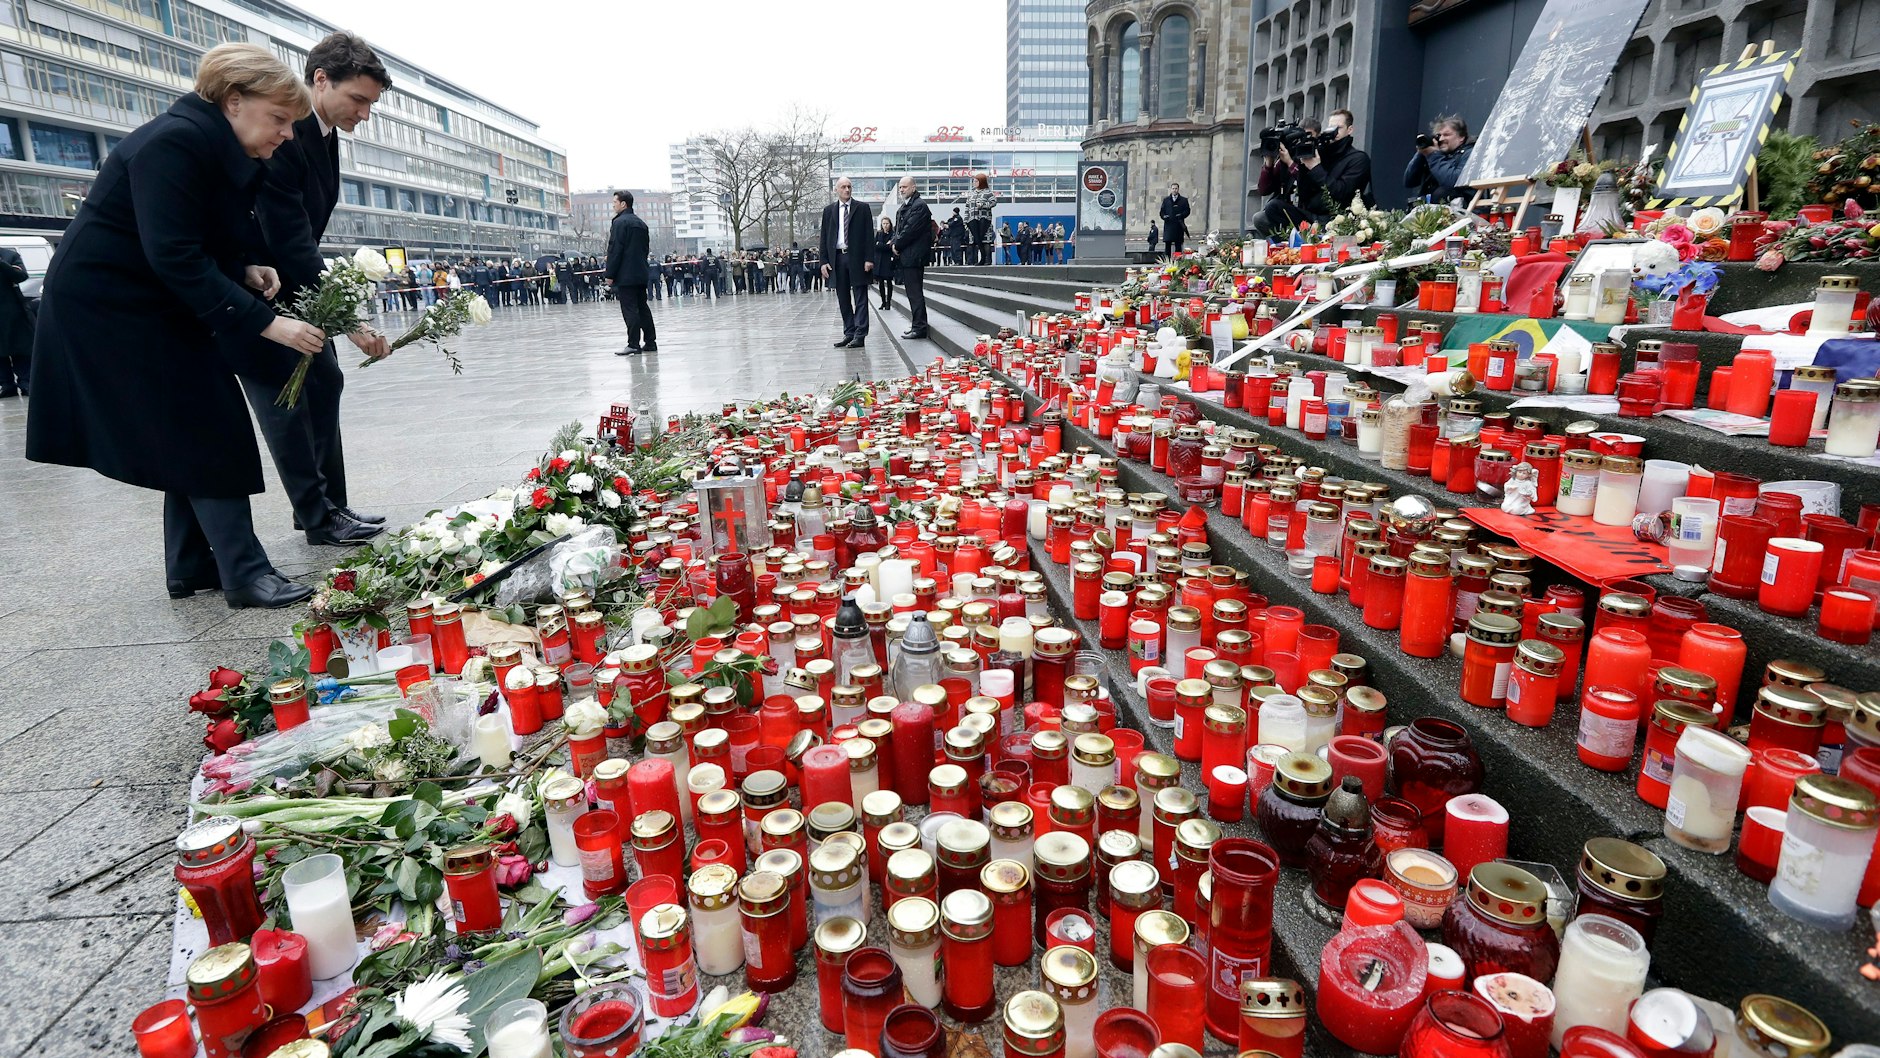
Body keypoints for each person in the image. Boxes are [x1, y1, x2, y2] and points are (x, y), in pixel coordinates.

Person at [27, 44, 326, 607]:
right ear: (233, 102)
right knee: (207, 420)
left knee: (185, 425)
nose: (287, 135)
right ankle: (244, 572)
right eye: (279, 119)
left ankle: (191, 563)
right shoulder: (176, 142)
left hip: (144, 300)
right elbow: (174, 253)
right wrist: (269, 324)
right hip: (113, 306)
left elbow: (190, 236)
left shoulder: (204, 142)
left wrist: (243, 267)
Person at [235, 31, 390, 548]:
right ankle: (318, 514)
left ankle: (329, 507)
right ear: (321, 79)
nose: (364, 114)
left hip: (298, 285)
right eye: (358, 99)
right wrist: (346, 318)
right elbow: (289, 236)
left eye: (371, 104)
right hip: (265, 288)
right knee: (288, 398)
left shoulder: (324, 133)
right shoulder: (288, 131)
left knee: (325, 382)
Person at [1256, 108, 1374, 235]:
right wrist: (1296, 161)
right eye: (1331, 127)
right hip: (1310, 215)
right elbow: (1303, 192)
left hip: (1337, 219)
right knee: (1272, 208)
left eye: (1338, 128)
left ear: (1349, 130)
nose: (1333, 132)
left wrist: (1315, 168)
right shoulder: (1320, 152)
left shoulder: (1358, 159)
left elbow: (1342, 193)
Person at [821, 177, 875, 348]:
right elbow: (824, 237)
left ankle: (860, 334)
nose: (847, 190)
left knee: (860, 296)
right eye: (843, 187)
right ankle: (849, 332)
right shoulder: (829, 211)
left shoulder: (862, 208)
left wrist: (869, 258)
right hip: (837, 258)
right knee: (843, 297)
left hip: (857, 258)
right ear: (836, 190)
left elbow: (869, 235)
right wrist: (823, 261)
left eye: (849, 186)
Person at [605, 190, 656, 354]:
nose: (613, 205)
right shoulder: (641, 224)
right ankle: (650, 341)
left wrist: (610, 274)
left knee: (630, 309)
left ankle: (633, 344)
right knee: (642, 307)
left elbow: (615, 250)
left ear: (623, 204)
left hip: (625, 274)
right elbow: (645, 249)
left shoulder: (619, 223)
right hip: (641, 272)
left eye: (615, 202)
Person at [892, 175, 933, 340]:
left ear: (913, 187)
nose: (902, 190)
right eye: (900, 187)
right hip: (908, 256)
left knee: (915, 293)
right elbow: (899, 230)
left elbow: (910, 230)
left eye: (905, 187)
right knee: (912, 293)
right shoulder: (908, 205)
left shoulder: (919, 206)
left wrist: (897, 245)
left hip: (914, 257)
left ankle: (920, 327)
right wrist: (895, 242)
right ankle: (917, 324)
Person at [1405, 115, 1474, 205]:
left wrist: (1433, 155)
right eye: (1438, 136)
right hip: (1430, 209)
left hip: (1461, 209)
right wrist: (1421, 153)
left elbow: (1454, 181)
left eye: (1446, 135)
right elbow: (1409, 182)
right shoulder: (1436, 154)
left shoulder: (1470, 153)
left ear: (1461, 137)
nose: (1441, 139)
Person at [0, 244, 31, 396]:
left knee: (20, 347)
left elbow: (21, 276)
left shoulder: (9, 255)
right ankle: (6, 384)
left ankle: (25, 382)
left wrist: (2, 264)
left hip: (12, 311)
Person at [957, 173, 996, 265]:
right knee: (975, 240)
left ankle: (987, 260)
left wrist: (983, 205)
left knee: (985, 240)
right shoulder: (971, 194)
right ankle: (975, 260)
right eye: (974, 181)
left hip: (984, 220)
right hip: (972, 220)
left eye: (976, 181)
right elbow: (967, 208)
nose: (974, 183)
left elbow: (993, 202)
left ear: (981, 182)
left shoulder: (988, 193)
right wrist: (966, 220)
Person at [1159, 182, 1191, 254]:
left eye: (1176, 188)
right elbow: (1162, 212)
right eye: (1173, 188)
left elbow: (1187, 211)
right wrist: (1164, 217)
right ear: (1171, 189)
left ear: (1178, 189)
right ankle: (1167, 260)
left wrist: (1181, 215)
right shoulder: (1166, 200)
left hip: (1178, 225)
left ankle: (1178, 259)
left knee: (1178, 245)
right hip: (1169, 225)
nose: (1174, 190)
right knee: (1167, 245)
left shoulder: (1183, 200)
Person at [874, 216, 895, 309]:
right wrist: (884, 245)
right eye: (884, 223)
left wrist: (881, 245)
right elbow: (875, 246)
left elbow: (889, 247)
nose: (885, 225)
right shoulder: (879, 234)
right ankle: (883, 301)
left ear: (890, 224)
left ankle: (888, 302)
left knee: (889, 282)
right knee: (881, 283)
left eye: (887, 223)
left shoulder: (893, 234)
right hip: (879, 261)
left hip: (888, 261)